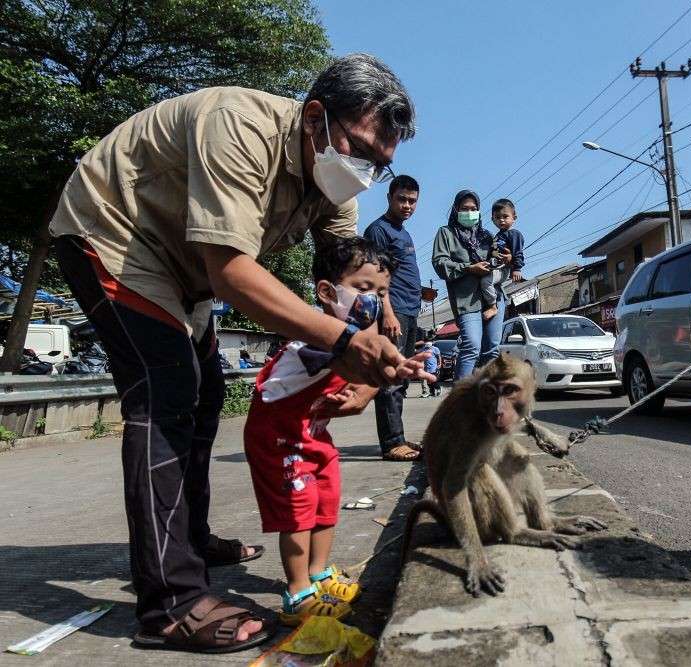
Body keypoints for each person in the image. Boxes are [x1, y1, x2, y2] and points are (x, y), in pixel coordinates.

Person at [48, 53, 432, 654]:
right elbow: (231, 272)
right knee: (167, 394)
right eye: (358, 149)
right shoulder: (239, 128)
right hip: (116, 234)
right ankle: (172, 602)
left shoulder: (339, 188)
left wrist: (373, 346)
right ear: (313, 118)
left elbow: (343, 279)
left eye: (380, 165)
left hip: (183, 269)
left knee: (202, 396)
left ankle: (189, 538)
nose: (363, 172)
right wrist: (341, 345)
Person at [244, 236, 393, 626]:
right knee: (298, 512)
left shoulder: (355, 336)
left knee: (326, 500)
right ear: (327, 292)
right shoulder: (316, 335)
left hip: (312, 433)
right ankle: (297, 593)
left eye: (380, 292)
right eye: (363, 289)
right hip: (278, 438)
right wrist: (387, 370)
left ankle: (319, 572)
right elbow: (339, 360)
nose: (373, 300)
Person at [363, 175, 423, 461]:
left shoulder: (404, 232)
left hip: (409, 310)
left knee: (403, 376)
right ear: (389, 197)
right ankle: (391, 443)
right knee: (390, 378)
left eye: (412, 201)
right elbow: (375, 276)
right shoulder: (379, 230)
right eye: (402, 199)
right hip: (393, 312)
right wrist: (387, 312)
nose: (407, 205)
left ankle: (397, 437)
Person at [432, 190, 512, 380]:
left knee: (491, 348)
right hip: (466, 300)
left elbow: (500, 261)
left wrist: (507, 259)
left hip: (493, 298)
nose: (469, 212)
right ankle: (461, 401)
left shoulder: (487, 235)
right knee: (471, 347)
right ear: (455, 210)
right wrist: (469, 268)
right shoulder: (446, 233)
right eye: (465, 209)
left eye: (473, 209)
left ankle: (487, 398)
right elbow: (440, 264)